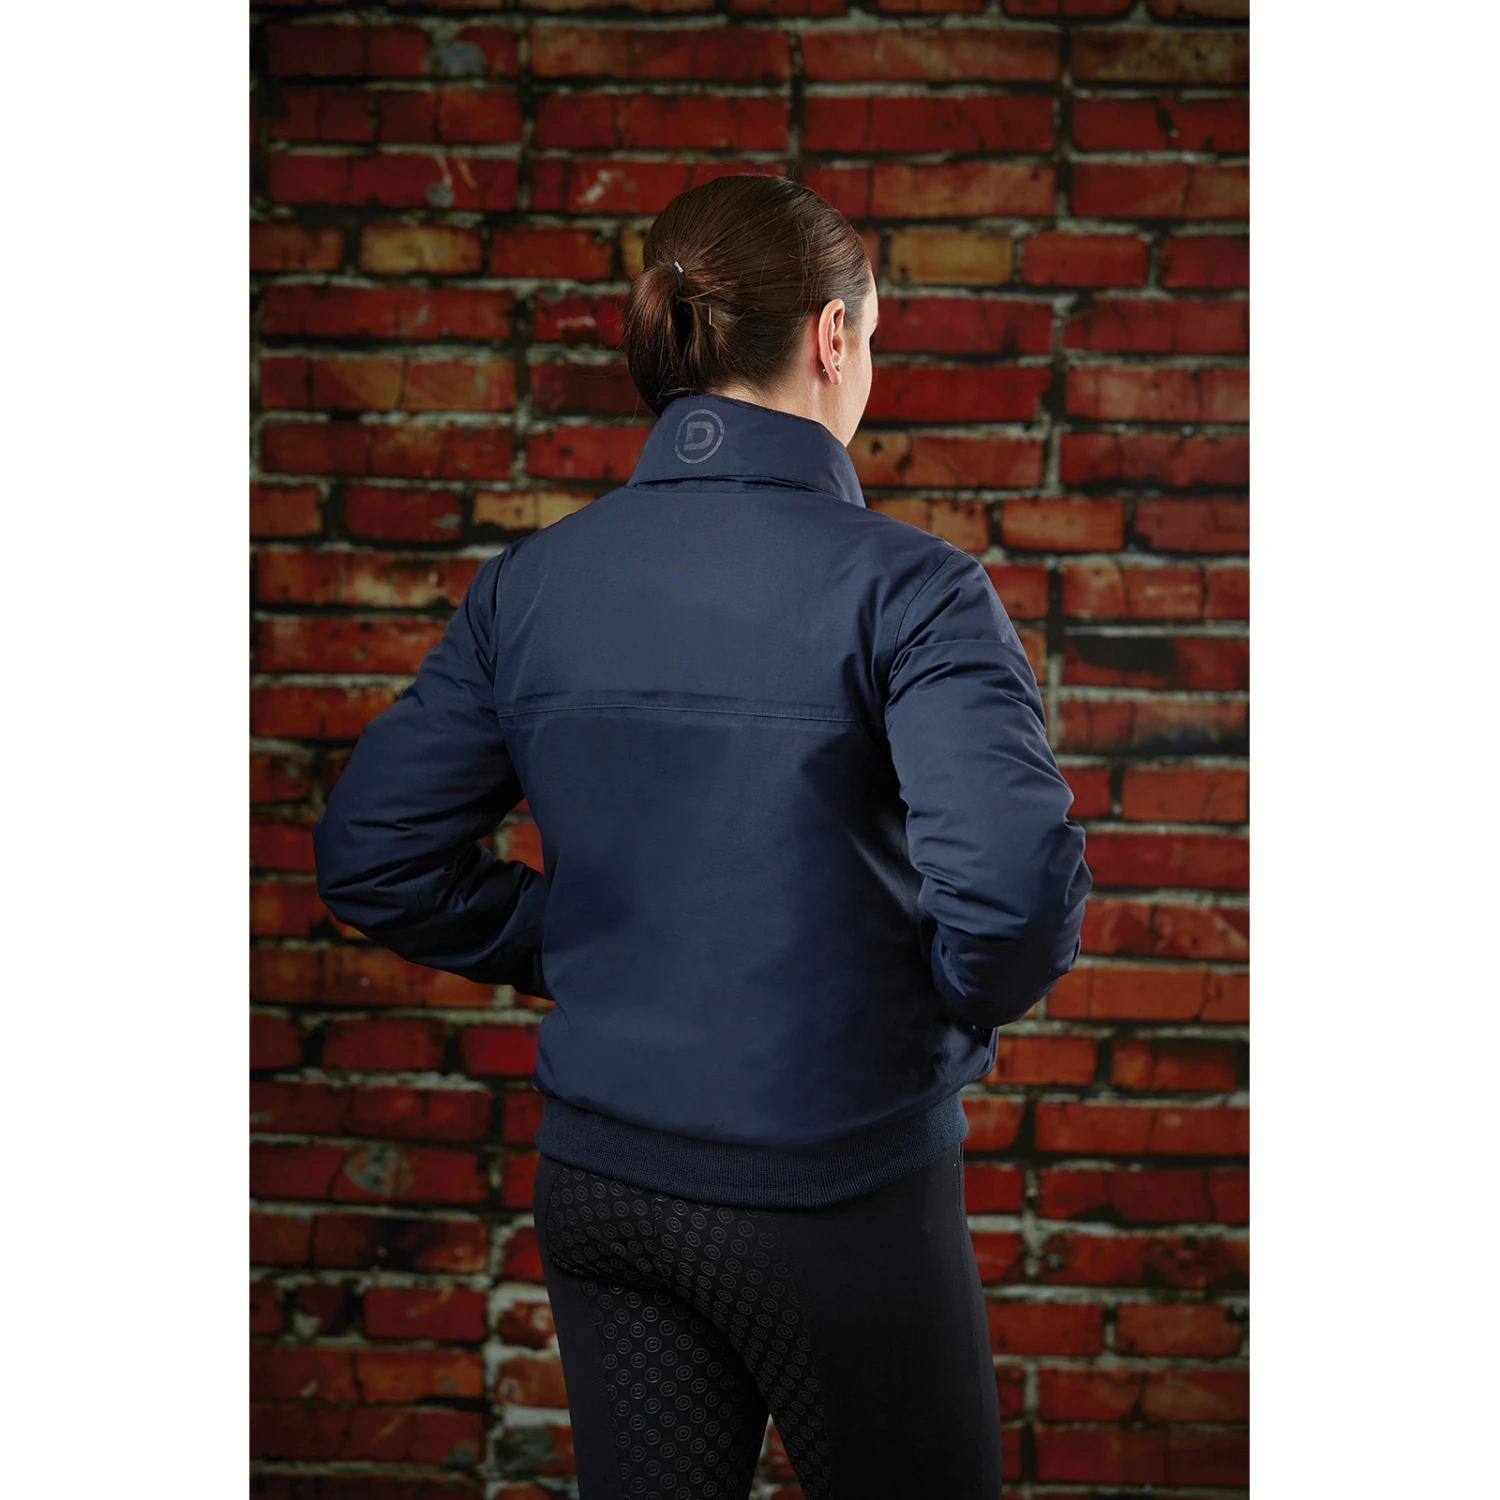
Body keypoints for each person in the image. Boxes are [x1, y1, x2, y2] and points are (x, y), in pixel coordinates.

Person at [313, 173, 1091, 1500]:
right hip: (832, 1186)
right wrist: (914, 1007)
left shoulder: (530, 584)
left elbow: (374, 855)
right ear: (832, 337)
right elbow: (1015, 897)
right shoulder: (915, 589)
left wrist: (591, 941)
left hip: (603, 1185)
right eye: (872, 338)